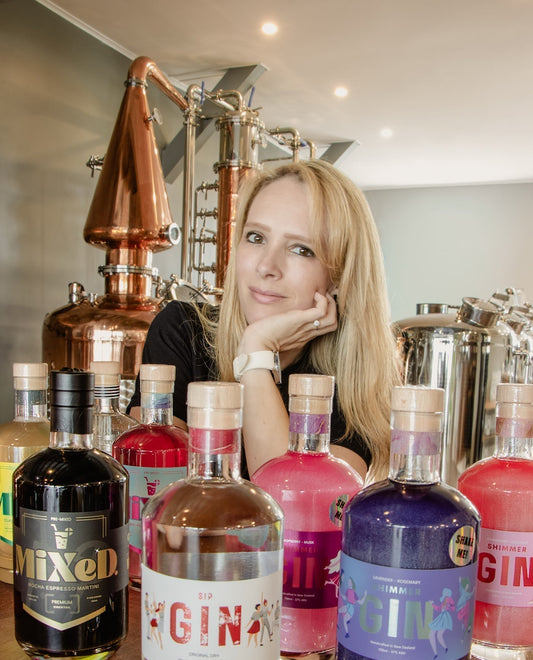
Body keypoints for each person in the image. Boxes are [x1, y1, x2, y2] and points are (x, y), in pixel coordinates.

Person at [129, 159, 400, 481]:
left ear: (339, 277)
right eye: (256, 238)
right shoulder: (181, 330)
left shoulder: (352, 381)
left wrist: (255, 353)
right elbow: (151, 484)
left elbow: (291, 501)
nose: (267, 266)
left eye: (301, 249)